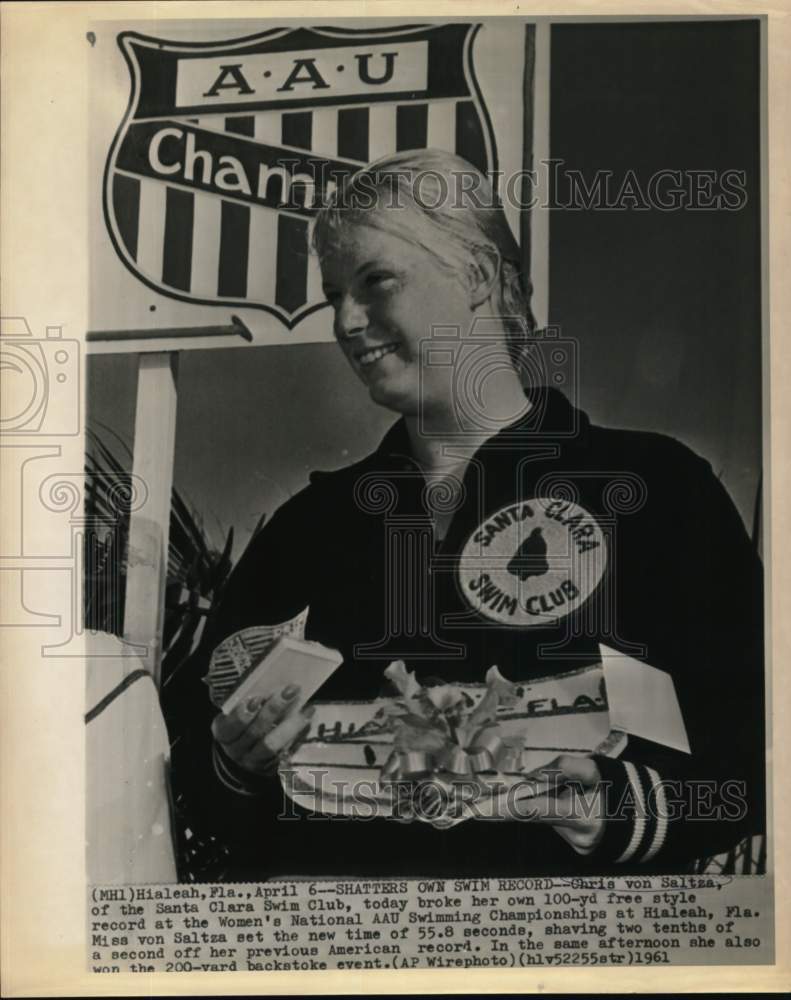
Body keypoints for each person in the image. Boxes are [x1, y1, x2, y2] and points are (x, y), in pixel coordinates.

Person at [175, 149, 765, 880]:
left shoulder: (652, 488)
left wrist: (609, 806)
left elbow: (758, 749)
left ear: (479, 278)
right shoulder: (307, 531)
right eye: (333, 295)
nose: (346, 321)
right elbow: (195, 780)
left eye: (375, 281)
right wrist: (235, 765)